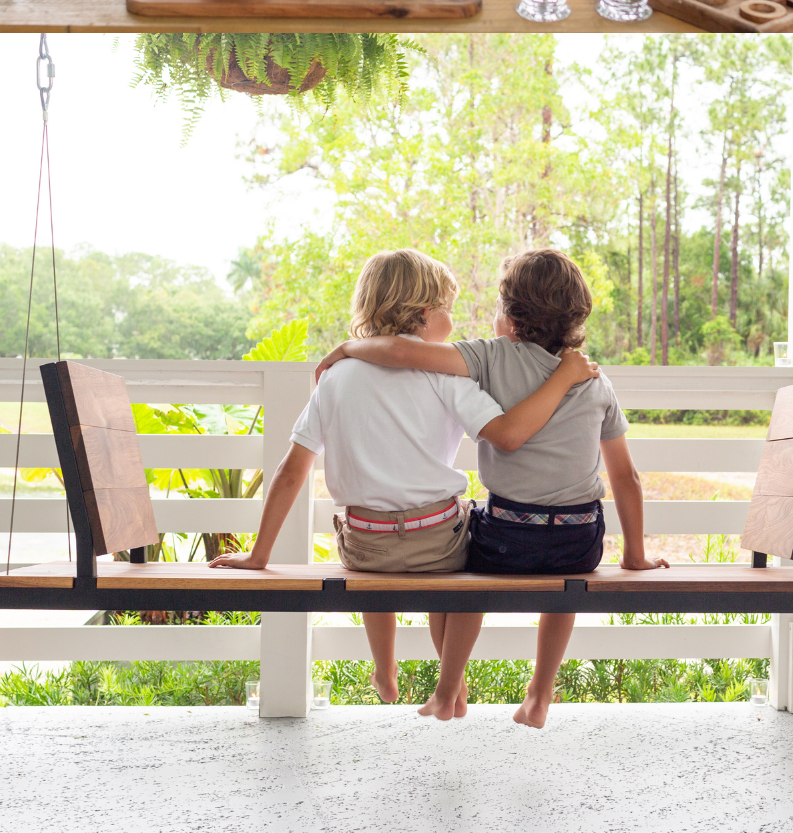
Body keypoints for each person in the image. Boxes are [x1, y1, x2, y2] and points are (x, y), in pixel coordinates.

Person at [210, 248, 598, 719]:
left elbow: (292, 471)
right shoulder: (446, 378)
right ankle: (450, 681)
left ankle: (384, 667)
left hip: (364, 545)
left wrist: (259, 555)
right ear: (423, 315)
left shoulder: (335, 378)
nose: (453, 324)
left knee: (371, 557)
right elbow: (503, 433)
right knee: (463, 556)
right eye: (448, 312)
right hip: (437, 542)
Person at [318, 248, 667, 729]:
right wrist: (635, 553)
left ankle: (447, 690)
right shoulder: (593, 380)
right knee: (563, 591)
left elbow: (400, 351)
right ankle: (540, 694)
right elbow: (625, 477)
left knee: (470, 565)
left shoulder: (488, 357)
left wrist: (348, 348)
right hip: (578, 539)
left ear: (511, 316)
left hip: (507, 535)